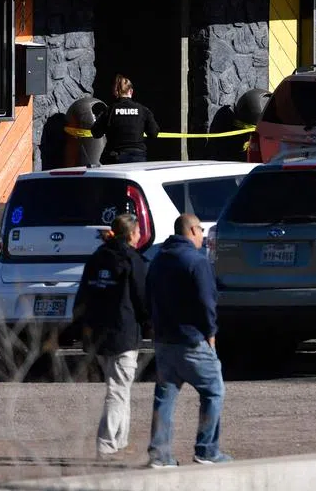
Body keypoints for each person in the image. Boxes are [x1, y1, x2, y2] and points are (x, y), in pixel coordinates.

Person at [145, 214, 230, 468]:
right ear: (192, 229)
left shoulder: (158, 259)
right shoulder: (196, 261)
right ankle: (207, 450)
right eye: (201, 230)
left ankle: (159, 454)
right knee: (214, 391)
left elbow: (147, 295)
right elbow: (207, 301)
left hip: (164, 340)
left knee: (165, 395)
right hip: (192, 339)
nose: (203, 235)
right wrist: (211, 332)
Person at [72, 214, 150, 459]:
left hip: (99, 334)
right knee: (117, 389)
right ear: (131, 234)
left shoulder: (97, 258)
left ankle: (120, 440)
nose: (140, 236)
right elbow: (143, 299)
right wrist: (151, 325)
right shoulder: (131, 260)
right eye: (138, 232)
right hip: (124, 335)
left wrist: (80, 330)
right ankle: (106, 443)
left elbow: (83, 296)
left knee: (120, 387)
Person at [101, 74, 160, 164]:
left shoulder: (110, 110)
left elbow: (95, 132)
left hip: (115, 157)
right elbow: (154, 133)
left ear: (116, 92)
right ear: (131, 91)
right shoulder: (143, 110)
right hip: (138, 156)